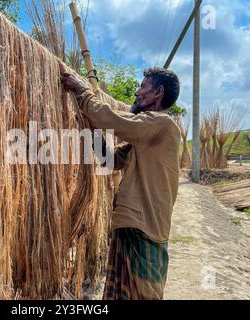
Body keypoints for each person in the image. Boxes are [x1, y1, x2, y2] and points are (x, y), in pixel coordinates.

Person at [61, 67, 181, 300]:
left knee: (141, 294)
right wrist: (91, 128)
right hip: (132, 225)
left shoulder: (162, 124)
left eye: (142, 87)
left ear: (158, 92)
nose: (136, 92)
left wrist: (82, 91)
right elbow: (110, 161)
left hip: (143, 228)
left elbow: (114, 121)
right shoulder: (147, 137)